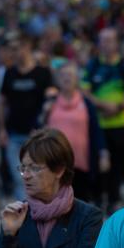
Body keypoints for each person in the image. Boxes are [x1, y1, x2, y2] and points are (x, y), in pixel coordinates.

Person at [82, 28, 124, 211]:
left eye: (109, 40)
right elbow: (84, 91)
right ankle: (97, 201)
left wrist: (118, 106)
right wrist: (101, 104)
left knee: (117, 164)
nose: (106, 44)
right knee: (97, 164)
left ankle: (114, 202)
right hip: (97, 125)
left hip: (119, 124)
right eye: (102, 41)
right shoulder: (92, 65)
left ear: (116, 43)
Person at [0, 33, 53, 201]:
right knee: (19, 178)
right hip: (14, 134)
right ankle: (25, 213)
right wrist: (1, 129)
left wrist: (45, 124)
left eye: (17, 48)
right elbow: (1, 102)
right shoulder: (8, 73)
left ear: (27, 47)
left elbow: (50, 100)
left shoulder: (42, 72)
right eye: (11, 49)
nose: (14, 53)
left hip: (37, 135)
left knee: (39, 178)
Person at [41, 62, 108, 203]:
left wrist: (103, 154)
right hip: (54, 163)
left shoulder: (86, 103)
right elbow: (38, 127)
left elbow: (96, 130)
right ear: (58, 79)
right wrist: (44, 112)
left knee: (79, 203)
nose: (67, 78)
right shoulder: (50, 102)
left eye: (70, 75)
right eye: (63, 75)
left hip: (80, 164)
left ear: (77, 79)